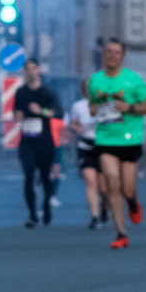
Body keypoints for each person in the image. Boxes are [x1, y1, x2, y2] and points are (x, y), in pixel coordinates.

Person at [84, 38, 146, 250]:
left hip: (130, 139)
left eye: (116, 52)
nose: (112, 56)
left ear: (122, 56)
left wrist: (129, 108)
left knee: (128, 190)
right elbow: (93, 106)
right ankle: (121, 232)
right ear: (103, 54)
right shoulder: (94, 80)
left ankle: (132, 203)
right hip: (105, 138)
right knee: (112, 182)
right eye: (109, 51)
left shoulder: (133, 80)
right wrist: (93, 110)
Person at [9, 58, 64, 226]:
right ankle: (32, 215)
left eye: (33, 68)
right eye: (27, 68)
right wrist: (17, 116)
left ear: (38, 70)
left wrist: (42, 111)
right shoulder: (21, 92)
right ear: (24, 71)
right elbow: (16, 112)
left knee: (45, 176)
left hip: (45, 141)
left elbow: (59, 113)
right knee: (29, 175)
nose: (30, 71)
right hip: (27, 141)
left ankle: (46, 205)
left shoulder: (48, 93)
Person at [64, 87, 110, 230]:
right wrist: (77, 128)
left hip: (103, 147)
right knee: (90, 181)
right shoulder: (78, 106)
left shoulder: (106, 104)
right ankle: (94, 216)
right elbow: (73, 122)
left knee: (103, 188)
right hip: (85, 146)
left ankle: (104, 207)